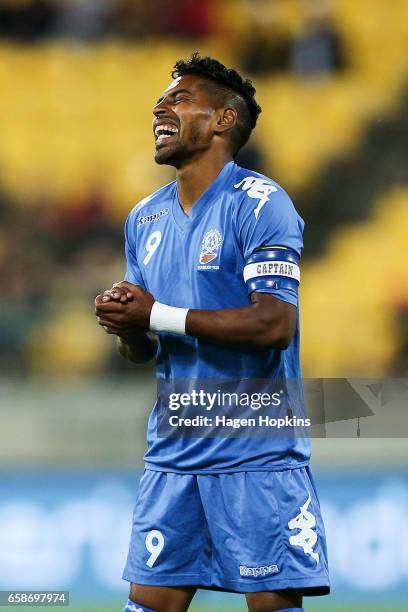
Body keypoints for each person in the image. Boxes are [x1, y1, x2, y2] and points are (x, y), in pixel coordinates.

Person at [95, 53, 329, 612]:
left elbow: (275, 324)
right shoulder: (144, 219)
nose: (160, 106)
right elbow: (142, 349)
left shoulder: (261, 204)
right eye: (161, 99)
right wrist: (126, 321)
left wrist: (155, 315)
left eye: (179, 99)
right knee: (147, 604)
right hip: (174, 455)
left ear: (223, 120)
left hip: (256, 456)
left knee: (273, 604)